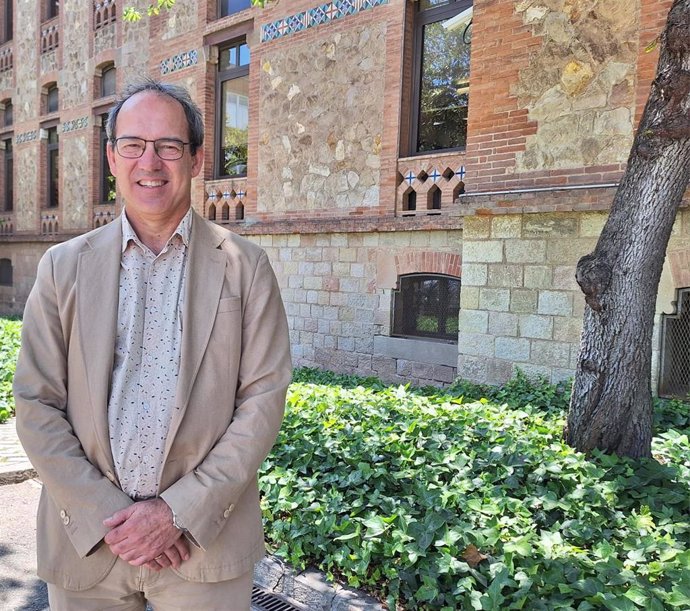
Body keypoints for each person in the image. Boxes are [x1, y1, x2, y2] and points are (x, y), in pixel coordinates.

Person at [13, 78, 292, 610]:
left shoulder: (245, 266)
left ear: (196, 158)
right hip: (89, 544)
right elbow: (35, 402)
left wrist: (176, 513)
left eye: (169, 146)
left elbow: (263, 400)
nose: (151, 161)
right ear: (112, 158)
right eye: (133, 145)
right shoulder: (62, 267)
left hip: (203, 544)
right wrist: (108, 516)